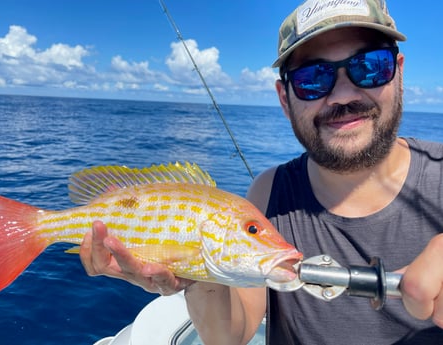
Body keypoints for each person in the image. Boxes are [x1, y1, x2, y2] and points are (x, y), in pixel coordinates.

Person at [80, 0, 443, 343]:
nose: (342, 95)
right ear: (285, 99)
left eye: (370, 66)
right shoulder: (268, 193)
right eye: (312, 78)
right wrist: (196, 275)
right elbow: (231, 337)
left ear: (398, 73)